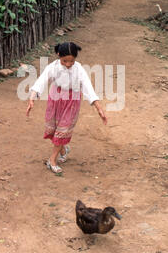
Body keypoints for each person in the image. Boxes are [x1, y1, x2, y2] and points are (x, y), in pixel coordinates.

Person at [26, 42, 107, 174]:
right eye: (65, 61)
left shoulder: (79, 69)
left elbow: (88, 87)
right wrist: (32, 98)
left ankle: (52, 160)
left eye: (72, 61)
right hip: (55, 100)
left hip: (72, 102)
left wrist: (99, 108)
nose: (68, 64)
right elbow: (41, 81)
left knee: (63, 129)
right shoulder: (53, 67)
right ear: (59, 55)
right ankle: (63, 149)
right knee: (54, 128)